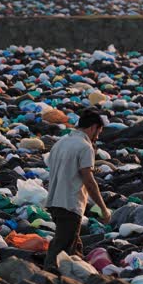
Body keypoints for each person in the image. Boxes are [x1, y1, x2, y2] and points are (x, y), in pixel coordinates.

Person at [44, 108, 111, 270]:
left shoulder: (61, 142)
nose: (97, 137)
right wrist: (103, 208)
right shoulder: (85, 147)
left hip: (54, 201)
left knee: (72, 242)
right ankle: (47, 275)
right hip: (70, 203)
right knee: (60, 247)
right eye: (98, 132)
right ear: (93, 127)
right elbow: (88, 180)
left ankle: (81, 269)